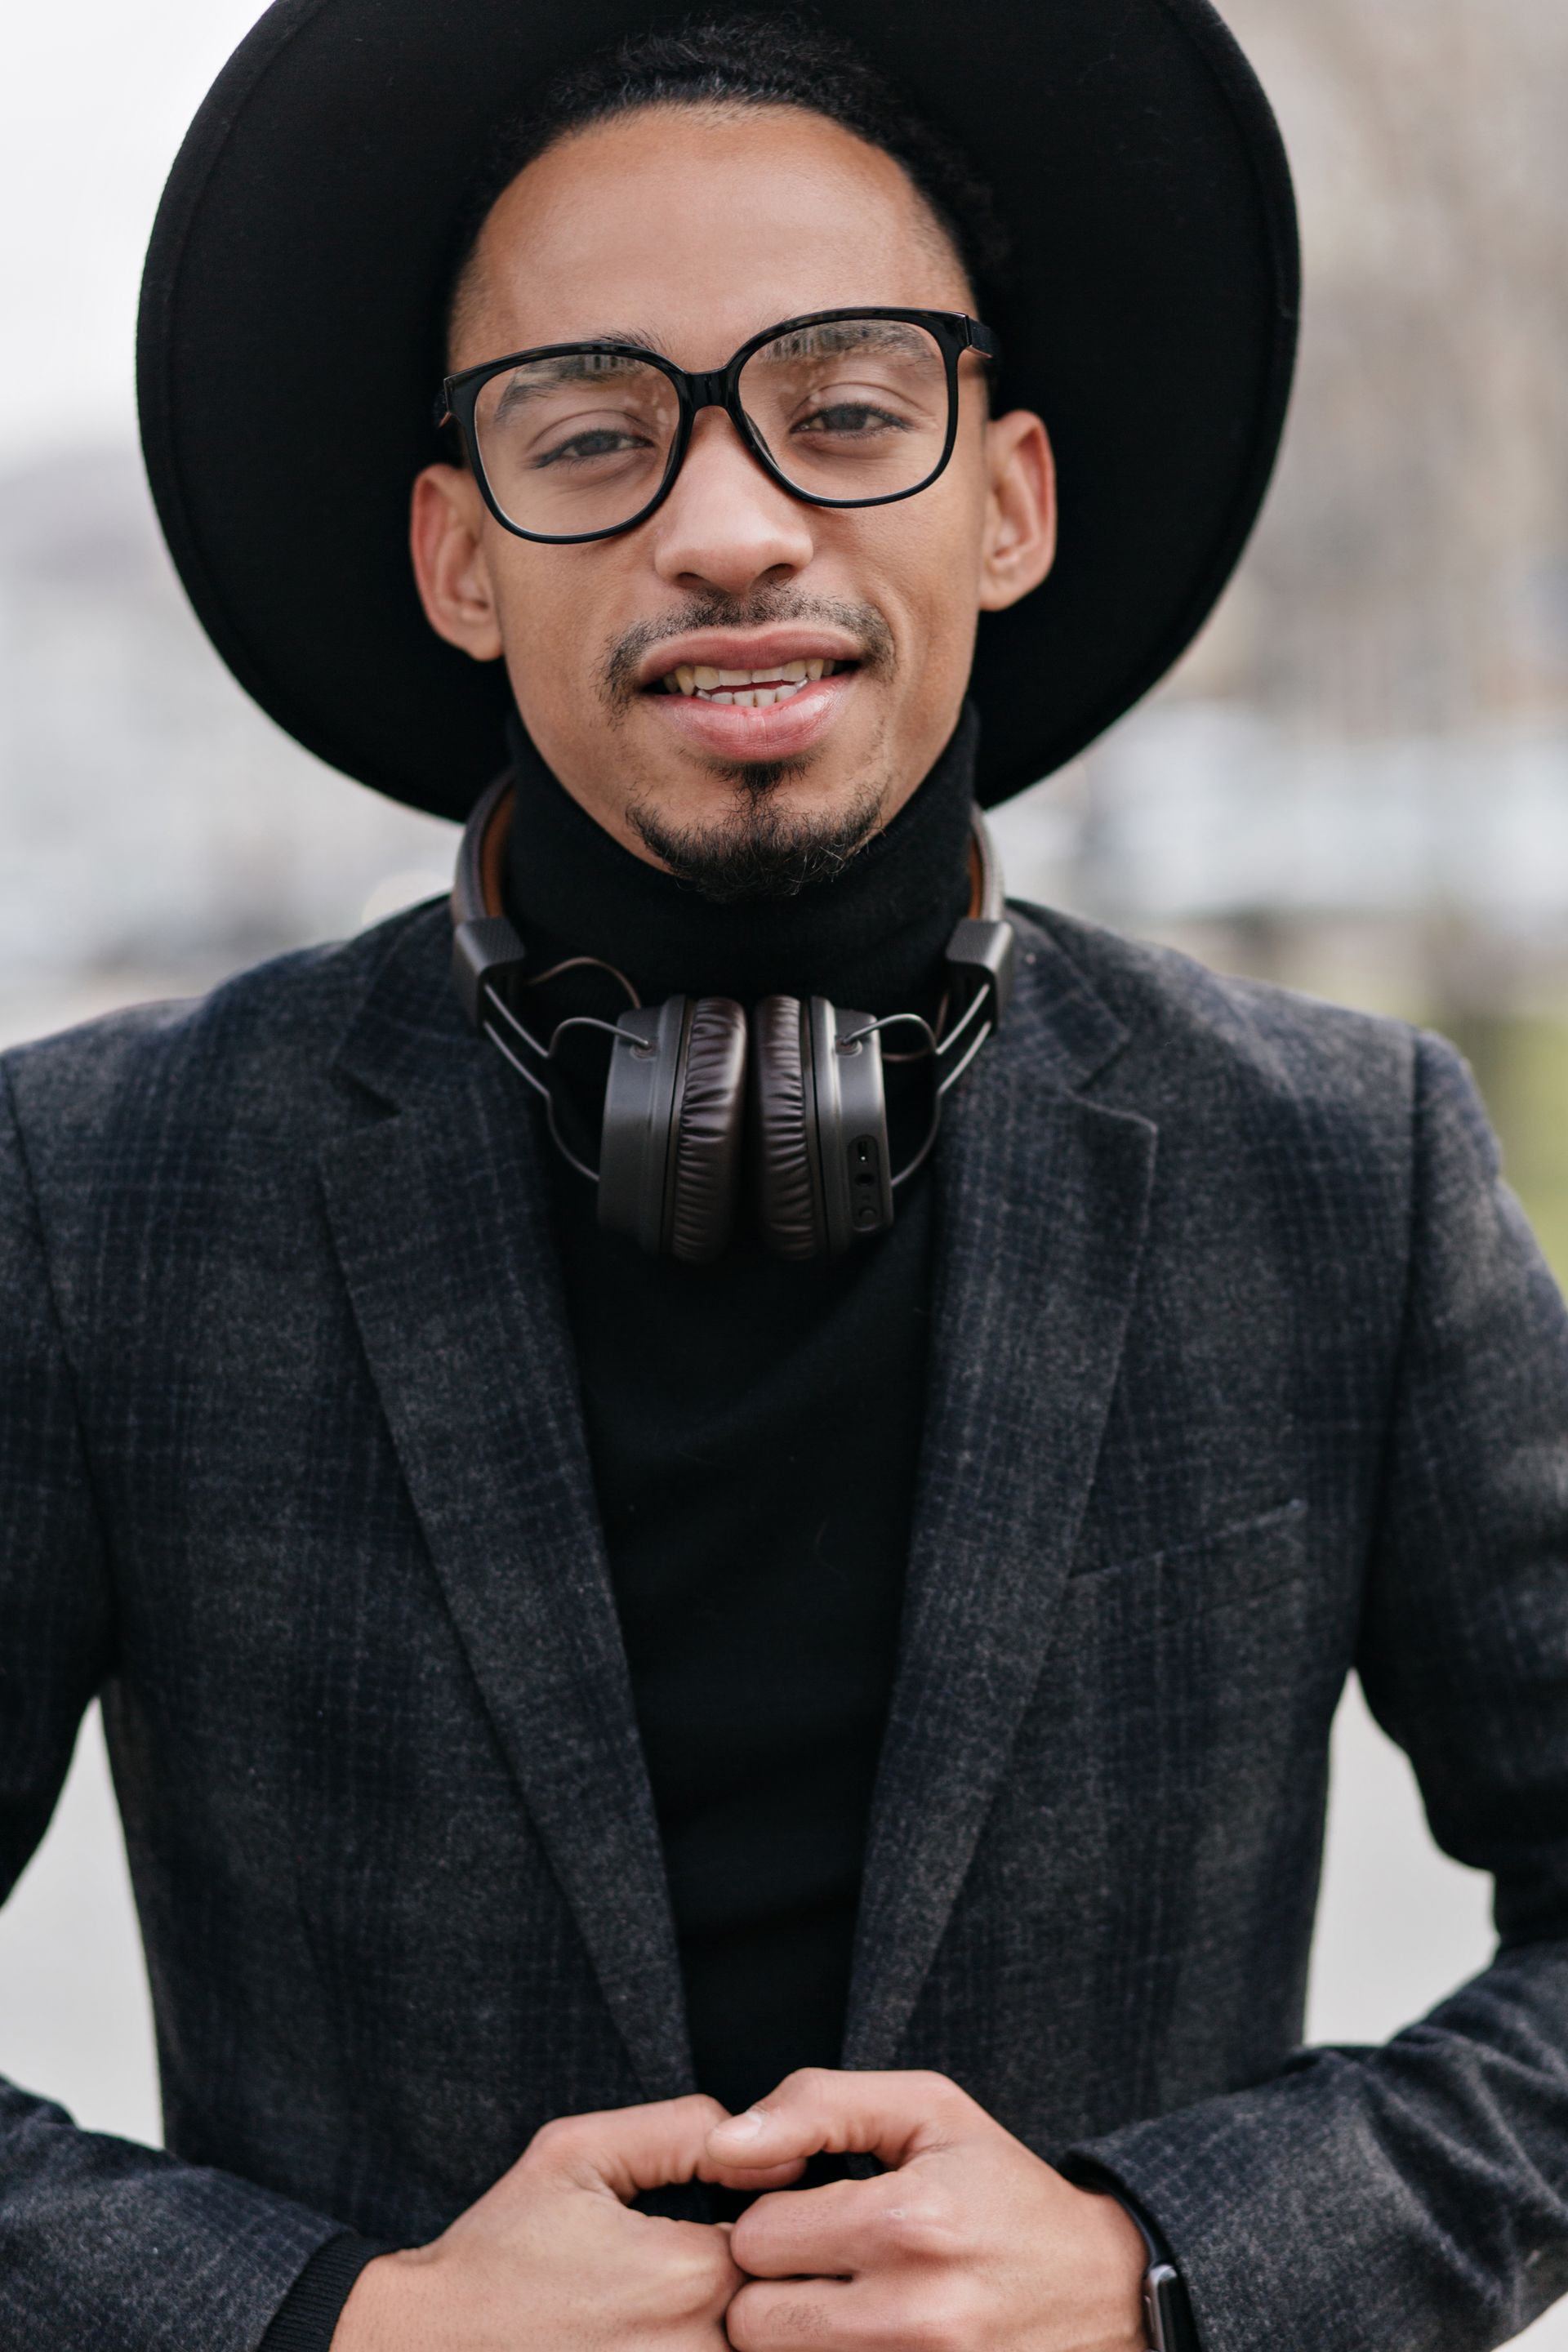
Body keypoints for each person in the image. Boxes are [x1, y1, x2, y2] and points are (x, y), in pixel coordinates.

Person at [2, 3, 1566, 2349]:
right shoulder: (95, 1187)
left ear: (1011, 497)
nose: (730, 528)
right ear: (456, 552)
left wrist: (1176, 2268)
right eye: (595, 434)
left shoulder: (1345, 1166)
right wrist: (325, 2324)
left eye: (847, 410)